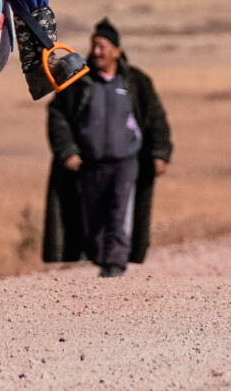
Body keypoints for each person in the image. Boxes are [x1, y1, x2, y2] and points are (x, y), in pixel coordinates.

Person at [43, 18, 172, 276]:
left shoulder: (135, 81)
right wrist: (67, 150)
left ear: (117, 51)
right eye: (94, 46)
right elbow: (57, 115)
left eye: (102, 47)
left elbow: (155, 118)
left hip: (126, 161)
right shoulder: (77, 80)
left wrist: (159, 153)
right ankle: (103, 262)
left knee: (119, 212)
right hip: (88, 163)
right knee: (92, 216)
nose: (97, 52)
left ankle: (114, 266)